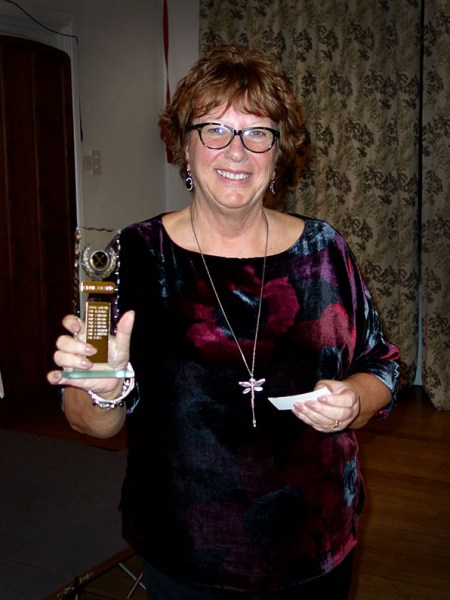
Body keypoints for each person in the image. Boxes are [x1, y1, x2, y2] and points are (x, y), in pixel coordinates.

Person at [48, 44, 400, 599]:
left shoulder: (324, 251)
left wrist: (356, 399)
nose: (236, 151)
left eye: (258, 132)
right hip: (188, 552)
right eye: (214, 129)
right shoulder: (133, 257)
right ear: (184, 147)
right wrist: (103, 389)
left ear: (279, 152)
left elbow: (382, 365)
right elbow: (88, 422)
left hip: (315, 544)